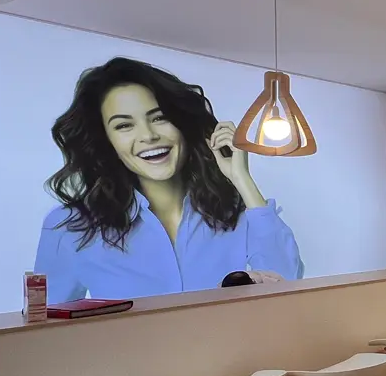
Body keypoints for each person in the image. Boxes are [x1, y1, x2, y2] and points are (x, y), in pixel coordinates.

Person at [34, 58, 303, 299]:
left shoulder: (235, 212)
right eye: (124, 125)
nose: (148, 136)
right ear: (107, 140)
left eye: (159, 118)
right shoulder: (70, 227)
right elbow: (47, 325)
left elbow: (286, 285)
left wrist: (241, 179)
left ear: (183, 123)